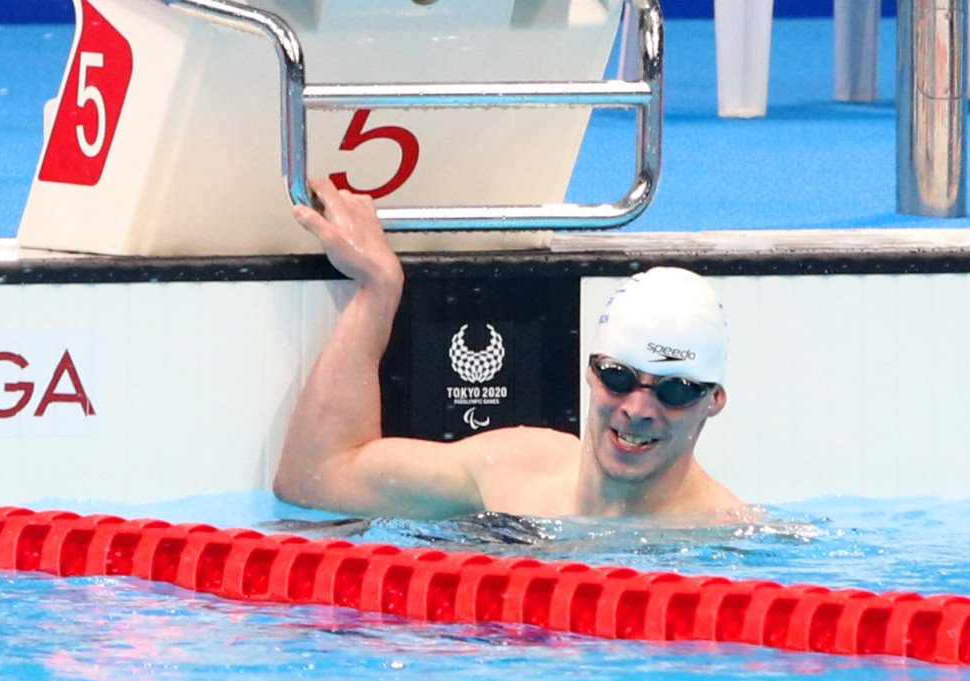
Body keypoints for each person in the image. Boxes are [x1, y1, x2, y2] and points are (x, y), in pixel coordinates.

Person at [274, 179, 744, 521]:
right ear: (592, 371)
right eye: (618, 378)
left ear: (714, 400)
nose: (637, 409)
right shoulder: (513, 469)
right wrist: (379, 286)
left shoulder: (724, 536)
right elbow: (316, 477)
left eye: (674, 391)